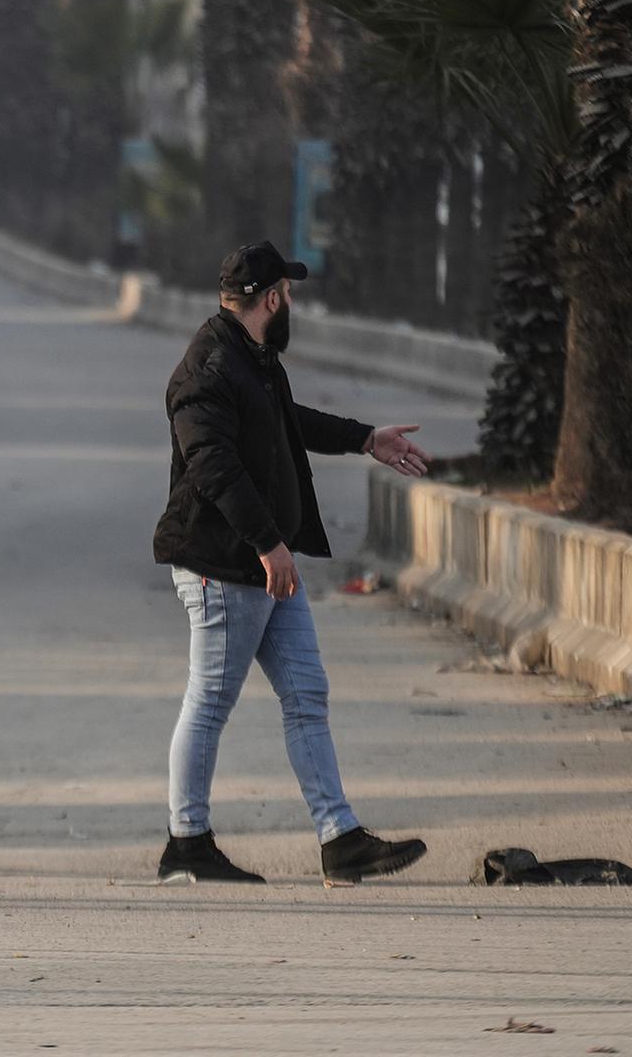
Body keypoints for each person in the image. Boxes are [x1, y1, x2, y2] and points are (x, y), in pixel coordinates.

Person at [152, 241, 432, 884]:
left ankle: (340, 838)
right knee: (211, 699)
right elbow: (212, 465)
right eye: (289, 294)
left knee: (306, 693)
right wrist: (267, 544)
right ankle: (186, 843)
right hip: (223, 566)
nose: (291, 306)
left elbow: (286, 422)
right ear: (272, 298)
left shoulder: (254, 359)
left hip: (262, 564)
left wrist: (365, 438)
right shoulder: (206, 368)